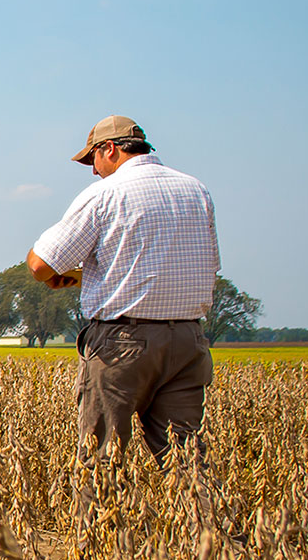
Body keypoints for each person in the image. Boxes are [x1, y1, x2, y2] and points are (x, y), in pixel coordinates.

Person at [26, 115, 219, 464]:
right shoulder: (196, 190)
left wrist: (67, 272)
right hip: (189, 340)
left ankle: (100, 521)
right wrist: (91, 275)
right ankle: (203, 519)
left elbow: (41, 265)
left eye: (93, 160)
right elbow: (201, 266)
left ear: (110, 149)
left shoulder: (106, 193)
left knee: (101, 460)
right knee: (188, 463)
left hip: (122, 344)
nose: (93, 170)